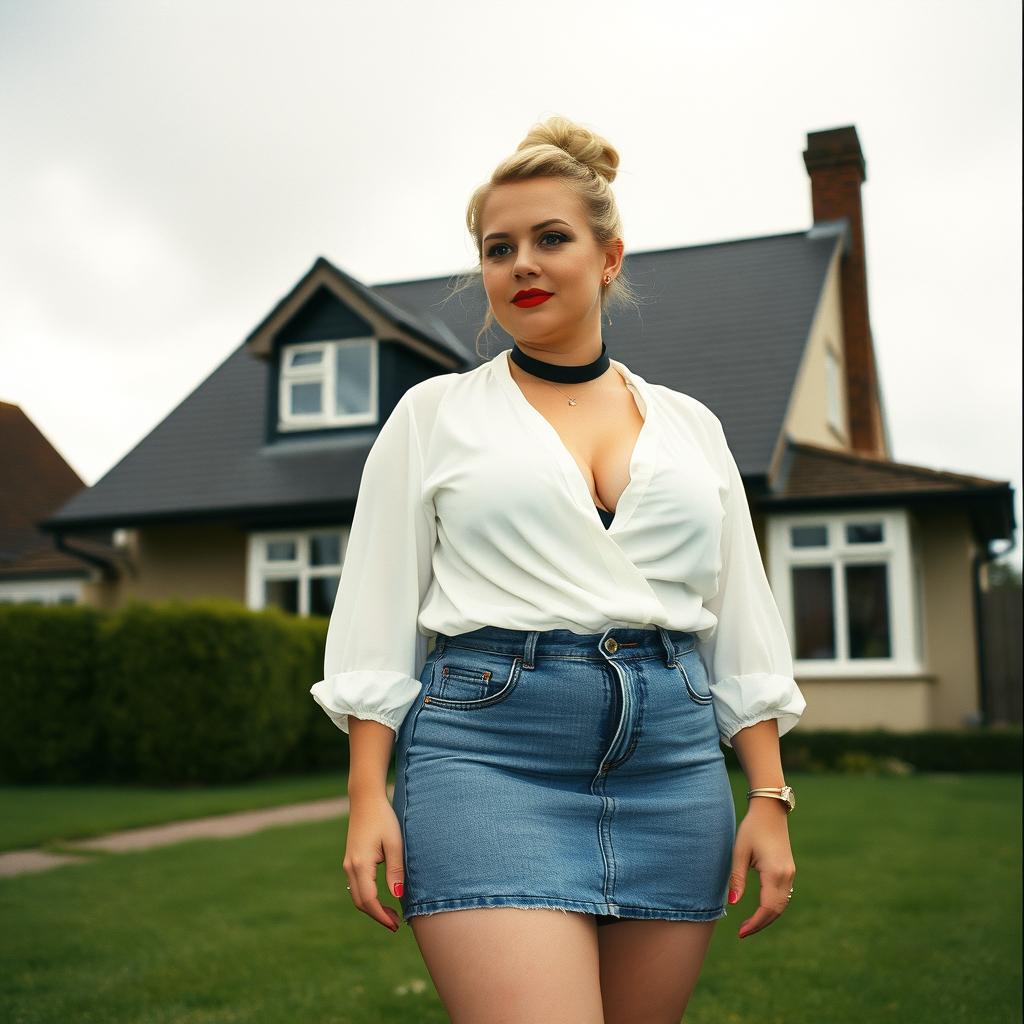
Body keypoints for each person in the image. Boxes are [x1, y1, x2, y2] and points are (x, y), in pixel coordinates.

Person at [310, 115, 807, 1023]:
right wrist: (365, 794)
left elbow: (742, 619)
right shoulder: (433, 415)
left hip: (674, 766)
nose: (522, 265)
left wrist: (767, 795)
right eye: (499, 249)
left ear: (609, 257)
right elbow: (377, 611)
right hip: (490, 757)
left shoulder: (694, 427)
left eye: (551, 239)